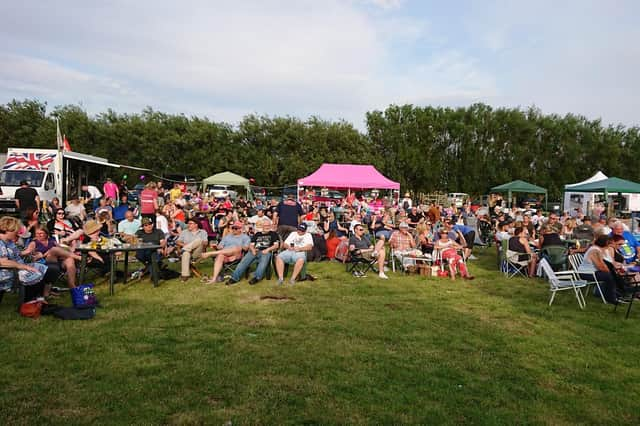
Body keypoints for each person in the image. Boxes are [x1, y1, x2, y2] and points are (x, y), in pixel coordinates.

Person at [0, 216, 52, 301]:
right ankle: (30, 301)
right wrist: (24, 267)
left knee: (46, 269)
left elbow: (16, 254)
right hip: (8, 271)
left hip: (17, 267)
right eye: (15, 230)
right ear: (7, 229)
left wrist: (28, 252)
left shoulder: (8, 241)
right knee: (34, 272)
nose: (17, 232)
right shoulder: (1, 243)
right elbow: (2, 262)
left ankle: (37, 299)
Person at [227, 220, 280, 285]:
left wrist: (268, 249)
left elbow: (276, 245)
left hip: (265, 251)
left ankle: (257, 277)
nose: (267, 227)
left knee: (263, 262)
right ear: (262, 226)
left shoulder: (273, 234)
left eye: (268, 225)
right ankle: (234, 278)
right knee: (244, 262)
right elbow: (251, 245)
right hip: (255, 250)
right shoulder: (257, 234)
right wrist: (253, 250)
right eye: (265, 225)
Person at [577, 234, 619, 304]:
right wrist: (609, 271)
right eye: (609, 243)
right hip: (586, 273)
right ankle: (611, 298)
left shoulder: (596, 249)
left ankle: (613, 295)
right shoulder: (595, 250)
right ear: (605, 243)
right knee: (609, 276)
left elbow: (602, 264)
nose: (610, 246)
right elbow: (600, 266)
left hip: (590, 272)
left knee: (610, 275)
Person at [176, 217, 208, 282]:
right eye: (188, 223)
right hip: (188, 252)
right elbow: (178, 241)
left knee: (199, 240)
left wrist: (198, 243)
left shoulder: (202, 232)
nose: (188, 225)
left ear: (196, 225)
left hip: (197, 253)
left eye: (190, 223)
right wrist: (186, 246)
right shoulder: (184, 232)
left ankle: (184, 250)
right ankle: (185, 275)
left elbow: (206, 243)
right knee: (186, 253)